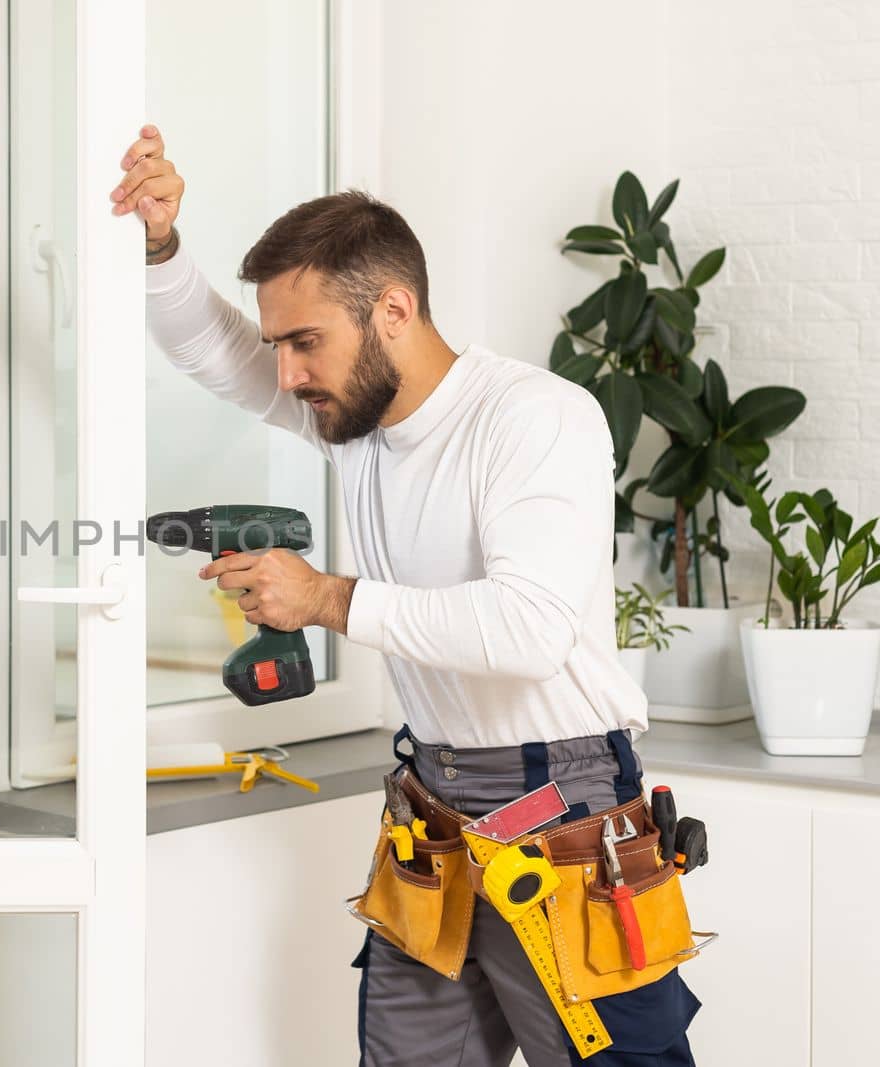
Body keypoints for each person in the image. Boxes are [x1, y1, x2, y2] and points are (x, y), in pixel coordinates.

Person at [112, 124, 701, 1066]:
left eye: (306, 342)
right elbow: (218, 353)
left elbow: (528, 629)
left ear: (393, 308)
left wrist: (325, 598)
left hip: (566, 809)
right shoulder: (354, 421)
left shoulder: (532, 417)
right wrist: (159, 247)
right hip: (433, 806)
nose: (288, 372)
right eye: (282, 345)